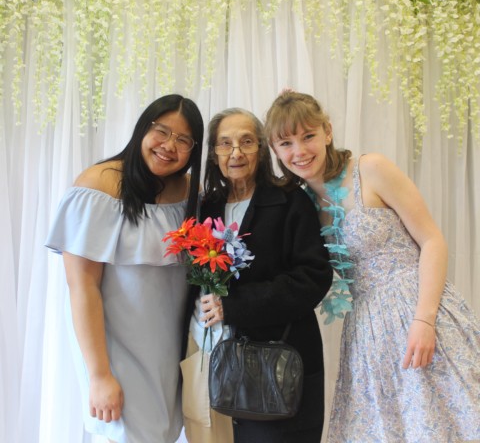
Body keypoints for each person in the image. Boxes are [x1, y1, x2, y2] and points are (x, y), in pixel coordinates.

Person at [265, 90, 480, 443]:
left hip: (418, 307)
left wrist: (424, 320)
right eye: (286, 143)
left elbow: (433, 241)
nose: (299, 151)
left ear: (328, 132)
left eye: (308, 136)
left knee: (447, 421)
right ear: (275, 151)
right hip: (366, 329)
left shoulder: (370, 169)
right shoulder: (298, 204)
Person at [45, 94, 204, 443]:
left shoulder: (190, 192)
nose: (169, 146)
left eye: (183, 140)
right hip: (117, 352)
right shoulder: (98, 185)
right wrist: (100, 375)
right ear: (142, 129)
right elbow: (81, 287)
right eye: (161, 132)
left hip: (170, 353)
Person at [180, 107, 333, 443]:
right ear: (214, 153)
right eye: (225, 143)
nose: (236, 153)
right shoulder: (204, 207)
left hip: (274, 366)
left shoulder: (291, 202)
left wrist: (232, 305)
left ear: (262, 149)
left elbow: (313, 277)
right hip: (208, 360)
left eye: (246, 142)